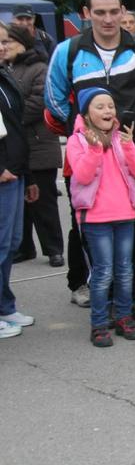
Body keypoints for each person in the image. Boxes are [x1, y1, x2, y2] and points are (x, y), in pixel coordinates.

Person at [45, 0, 135, 326]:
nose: (108, 18)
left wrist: (132, 132)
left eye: (114, 11)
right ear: (86, 14)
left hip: (131, 157)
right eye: (99, 12)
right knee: (90, 232)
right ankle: (107, 297)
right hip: (87, 161)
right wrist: (84, 133)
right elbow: (54, 101)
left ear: (123, 10)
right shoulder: (67, 51)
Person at [66, 88, 135, 347]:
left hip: (125, 214)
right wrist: (93, 149)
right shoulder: (76, 141)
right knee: (103, 273)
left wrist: (129, 145)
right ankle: (99, 324)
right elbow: (82, 176)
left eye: (110, 106)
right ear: (86, 113)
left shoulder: (120, 138)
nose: (107, 111)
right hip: (95, 218)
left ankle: (123, 316)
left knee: (125, 270)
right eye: (100, 106)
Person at [5, 24, 64, 267]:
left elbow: (39, 103)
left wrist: (9, 116)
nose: (4, 47)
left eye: (9, 42)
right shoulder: (6, 70)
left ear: (22, 43)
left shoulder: (39, 68)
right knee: (22, 206)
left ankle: (54, 250)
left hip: (39, 146)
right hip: (16, 149)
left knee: (44, 203)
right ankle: (24, 248)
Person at [0, 24, 39, 338]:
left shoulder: (5, 74)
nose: (3, 47)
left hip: (14, 172)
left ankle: (5, 305)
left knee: (10, 244)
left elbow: (15, 127)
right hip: (2, 173)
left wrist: (25, 173)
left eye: (5, 41)